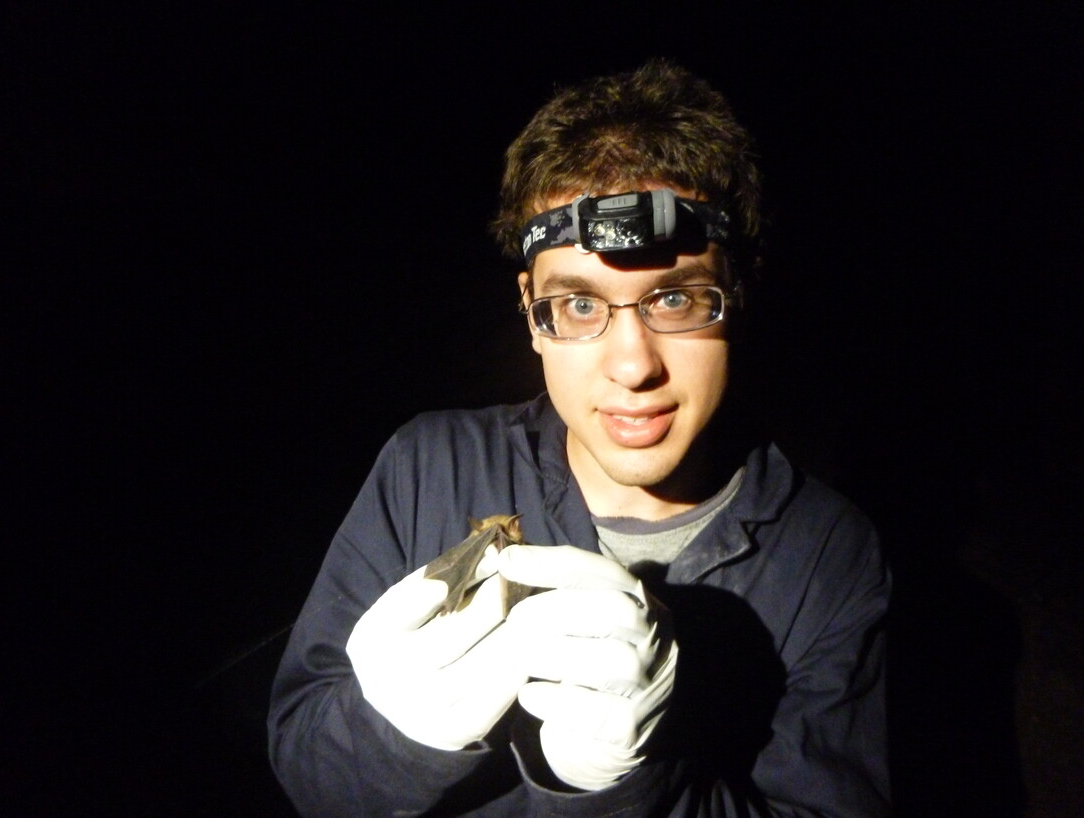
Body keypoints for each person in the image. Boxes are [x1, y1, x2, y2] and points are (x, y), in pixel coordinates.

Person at [268, 60, 890, 817]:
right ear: (531, 312)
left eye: (677, 297)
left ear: (740, 296)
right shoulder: (427, 467)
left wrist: (625, 784)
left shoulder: (827, 553)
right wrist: (391, 738)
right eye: (578, 304)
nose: (633, 366)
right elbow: (306, 765)